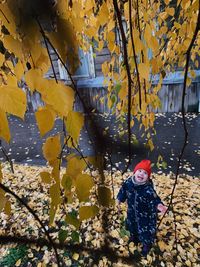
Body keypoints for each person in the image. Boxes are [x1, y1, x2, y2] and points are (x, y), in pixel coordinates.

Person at [116, 159, 167, 256]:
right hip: (132, 213)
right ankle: (134, 238)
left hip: (145, 217)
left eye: (145, 173)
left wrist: (159, 205)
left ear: (147, 177)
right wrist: (119, 199)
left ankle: (146, 244)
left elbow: (155, 199)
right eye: (139, 171)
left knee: (146, 232)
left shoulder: (148, 190)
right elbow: (123, 191)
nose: (141, 174)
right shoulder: (128, 183)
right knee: (132, 226)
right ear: (135, 172)